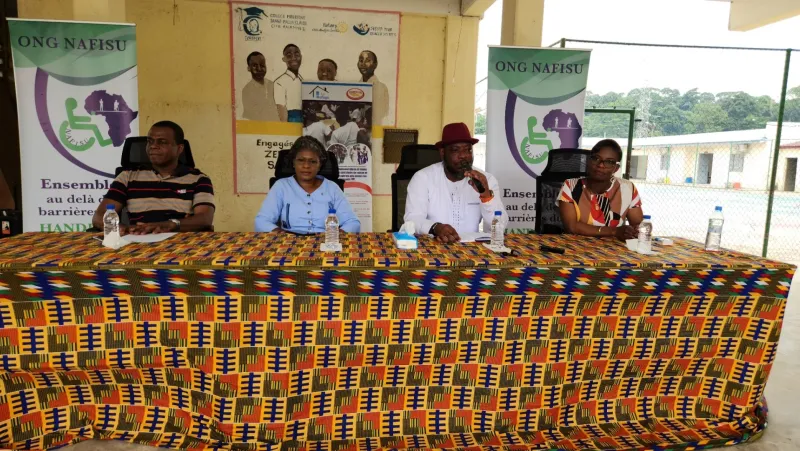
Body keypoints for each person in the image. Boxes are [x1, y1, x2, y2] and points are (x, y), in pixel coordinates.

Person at [92, 121, 215, 234]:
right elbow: (99, 216)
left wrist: (170, 225)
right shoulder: (128, 176)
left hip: (180, 244)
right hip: (137, 241)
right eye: (150, 141)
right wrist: (122, 228)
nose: (153, 146)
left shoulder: (198, 179)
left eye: (162, 142)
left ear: (179, 149)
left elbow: (205, 219)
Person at [404, 122, 507, 243]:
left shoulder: (487, 180)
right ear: (442, 153)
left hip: (472, 250)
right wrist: (435, 227)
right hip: (434, 247)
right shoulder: (423, 178)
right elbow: (412, 219)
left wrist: (486, 196)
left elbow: (499, 227)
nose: (463, 156)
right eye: (455, 150)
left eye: (468, 150)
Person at [255, 136, 360, 234]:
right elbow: (261, 221)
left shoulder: (332, 188)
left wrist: (333, 236)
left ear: (320, 165)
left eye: (313, 161)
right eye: (301, 160)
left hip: (325, 243)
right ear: (293, 162)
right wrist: (282, 236)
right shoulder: (281, 186)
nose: (306, 166)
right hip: (289, 243)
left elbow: (352, 223)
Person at [557, 139, 643, 240]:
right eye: (596, 159)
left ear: (616, 168)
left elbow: (638, 225)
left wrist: (635, 231)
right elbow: (571, 227)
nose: (601, 165)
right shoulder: (571, 186)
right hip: (577, 247)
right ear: (589, 161)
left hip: (614, 249)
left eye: (609, 162)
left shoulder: (628, 188)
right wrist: (615, 231)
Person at [242, 51, 279, 121]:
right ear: (248, 68)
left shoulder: (273, 85)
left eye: (262, 65)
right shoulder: (247, 90)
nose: (259, 69)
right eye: (255, 66)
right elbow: (251, 116)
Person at [357, 50, 389, 126]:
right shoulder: (355, 86)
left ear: (375, 64)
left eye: (367, 61)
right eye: (361, 60)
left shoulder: (381, 87)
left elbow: (382, 114)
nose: (363, 64)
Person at [274, 44, 304, 123]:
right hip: (291, 121)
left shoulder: (302, 81)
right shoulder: (279, 82)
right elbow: (282, 112)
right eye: (289, 56)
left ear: (301, 57)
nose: (293, 58)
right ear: (284, 59)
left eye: (297, 55)